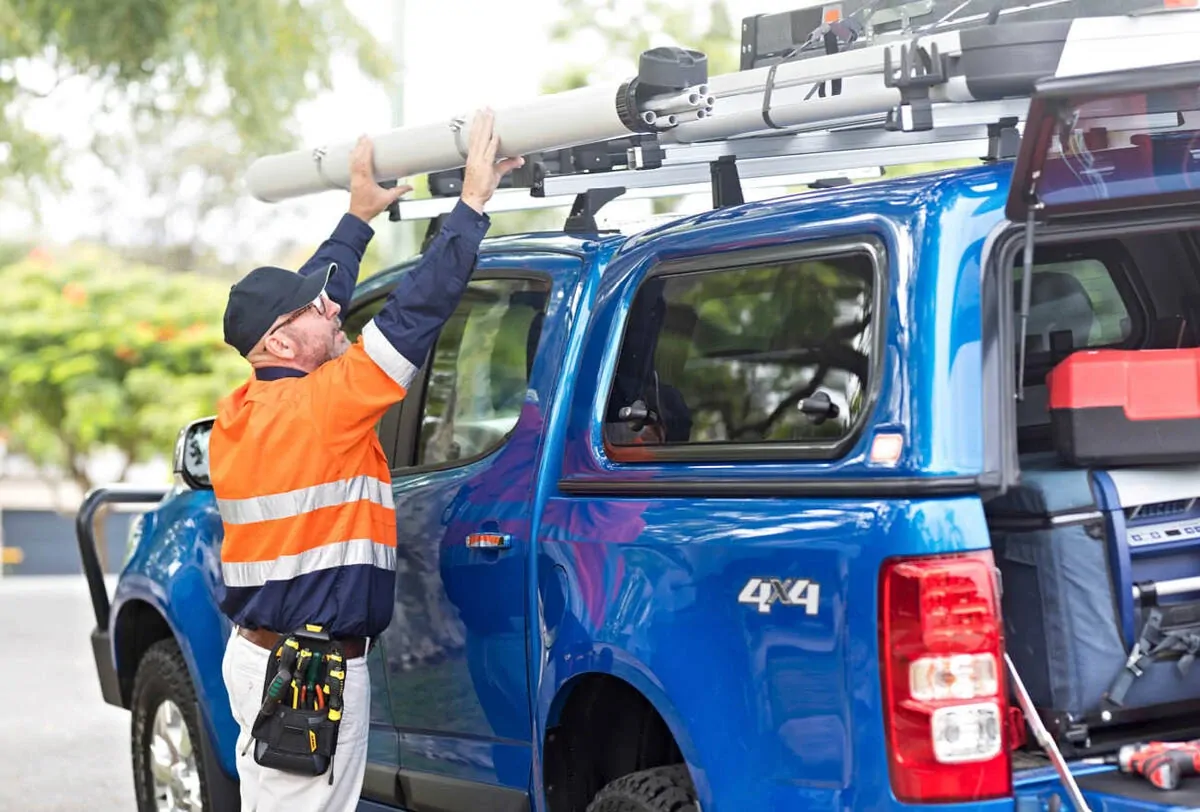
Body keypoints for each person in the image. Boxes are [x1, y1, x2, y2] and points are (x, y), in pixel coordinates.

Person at [211, 109, 523, 811]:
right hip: (305, 674)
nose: (333, 308)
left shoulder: (243, 410)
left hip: (267, 658)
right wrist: (471, 207)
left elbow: (319, 299)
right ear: (281, 343)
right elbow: (415, 314)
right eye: (315, 310)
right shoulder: (325, 406)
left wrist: (357, 219)